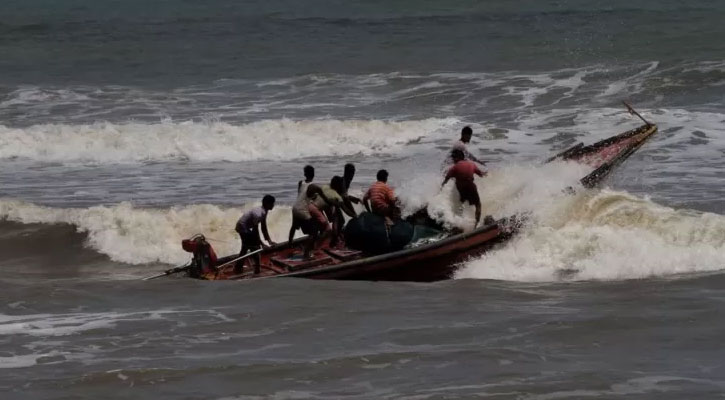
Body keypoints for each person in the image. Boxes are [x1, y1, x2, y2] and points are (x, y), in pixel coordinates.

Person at [442, 149, 487, 226]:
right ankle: (476, 225)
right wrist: (485, 173)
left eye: (453, 158)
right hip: (470, 186)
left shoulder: (454, 168)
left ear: (457, 158)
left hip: (461, 189)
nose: (453, 160)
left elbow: (445, 181)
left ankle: (459, 224)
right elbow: (481, 174)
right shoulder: (471, 164)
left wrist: (440, 189)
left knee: (461, 204)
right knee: (478, 204)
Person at [234, 195, 276, 274]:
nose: (273, 205)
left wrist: (269, 241)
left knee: (245, 248)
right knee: (255, 248)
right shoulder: (258, 214)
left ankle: (238, 268)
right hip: (243, 228)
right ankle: (256, 271)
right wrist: (262, 244)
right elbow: (255, 232)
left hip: (245, 227)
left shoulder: (264, 211)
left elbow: (264, 227)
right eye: (272, 204)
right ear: (267, 204)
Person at [288, 165, 315, 242]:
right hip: (303, 210)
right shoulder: (313, 186)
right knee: (312, 231)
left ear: (304, 174)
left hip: (295, 207)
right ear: (313, 174)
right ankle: (309, 250)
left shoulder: (300, 183)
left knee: (293, 227)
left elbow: (300, 194)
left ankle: (290, 243)